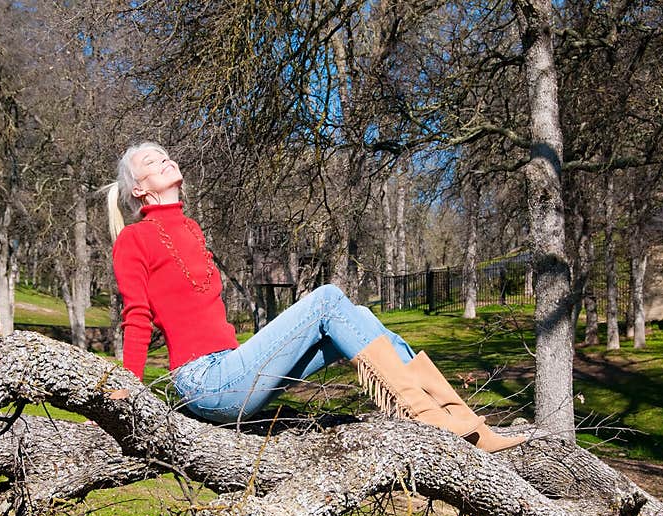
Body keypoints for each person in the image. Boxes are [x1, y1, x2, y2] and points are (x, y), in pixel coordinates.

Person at [106, 141, 525, 453]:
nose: (164, 159)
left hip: (237, 370)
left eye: (164, 154)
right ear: (138, 189)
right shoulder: (133, 239)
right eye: (150, 161)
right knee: (326, 300)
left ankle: (462, 421)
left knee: (356, 314)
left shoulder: (192, 229)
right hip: (207, 382)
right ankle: (428, 419)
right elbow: (137, 317)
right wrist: (130, 387)